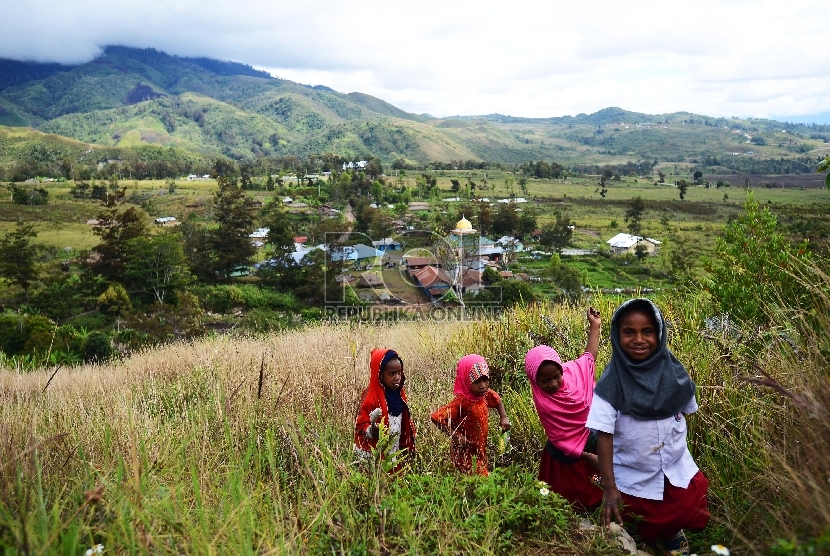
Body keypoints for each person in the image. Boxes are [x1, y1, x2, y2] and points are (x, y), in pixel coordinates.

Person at [586, 298, 709, 556]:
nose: (639, 339)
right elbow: (604, 436)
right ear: (617, 335)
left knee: (682, 504)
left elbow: (687, 411)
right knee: (638, 509)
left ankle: (671, 533)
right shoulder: (611, 384)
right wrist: (610, 487)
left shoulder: (675, 375)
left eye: (648, 331)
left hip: (673, 463)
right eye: (629, 332)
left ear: (660, 333)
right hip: (632, 469)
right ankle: (645, 536)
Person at [524, 307, 603, 509]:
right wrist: (586, 457)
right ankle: (558, 510)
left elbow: (589, 357)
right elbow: (559, 438)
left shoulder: (574, 372)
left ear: (562, 369)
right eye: (545, 380)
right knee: (562, 491)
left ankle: (595, 506)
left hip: (594, 441)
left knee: (595, 488)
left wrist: (595, 325)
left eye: (556, 376)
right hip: (567, 454)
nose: (552, 383)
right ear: (534, 381)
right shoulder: (545, 402)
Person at [431, 354, 511, 476]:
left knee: (478, 472)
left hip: (479, 446)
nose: (483, 385)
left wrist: (503, 417)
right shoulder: (462, 402)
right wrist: (455, 435)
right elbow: (436, 417)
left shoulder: (484, 394)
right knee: (477, 477)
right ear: (466, 381)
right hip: (465, 450)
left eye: (485, 379)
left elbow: (497, 399)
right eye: (477, 381)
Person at [354, 348, 416, 467]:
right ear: (380, 374)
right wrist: (370, 430)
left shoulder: (399, 394)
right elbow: (359, 424)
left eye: (399, 372)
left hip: (394, 444)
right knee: (379, 473)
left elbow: (405, 420)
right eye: (392, 373)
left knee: (394, 471)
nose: (397, 377)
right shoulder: (370, 396)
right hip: (374, 452)